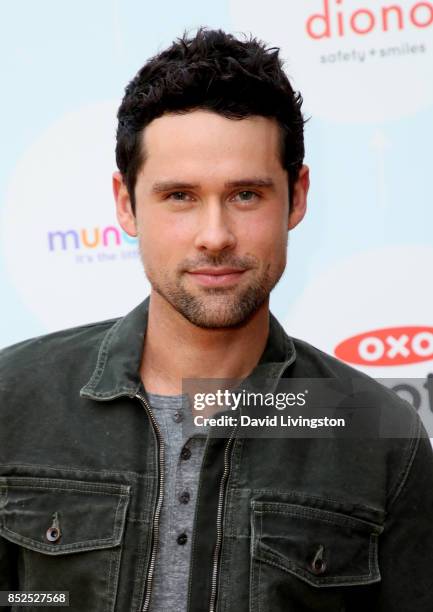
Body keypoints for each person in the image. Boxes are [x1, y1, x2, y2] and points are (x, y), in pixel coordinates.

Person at [0, 27, 432, 612]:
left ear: (297, 197)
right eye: (179, 195)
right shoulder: (15, 396)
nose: (215, 236)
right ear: (126, 204)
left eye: (246, 195)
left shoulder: (379, 434)